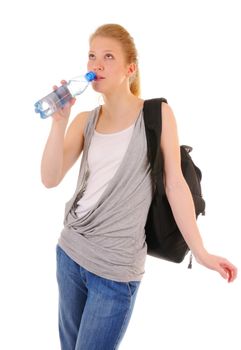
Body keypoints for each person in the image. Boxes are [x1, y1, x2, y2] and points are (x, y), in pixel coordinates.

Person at [41, 23, 238, 350]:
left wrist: (201, 252)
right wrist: (58, 123)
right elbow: (49, 178)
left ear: (130, 69)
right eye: (92, 56)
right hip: (71, 255)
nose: (96, 65)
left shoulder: (157, 114)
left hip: (116, 270)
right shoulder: (84, 120)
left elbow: (175, 185)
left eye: (108, 57)